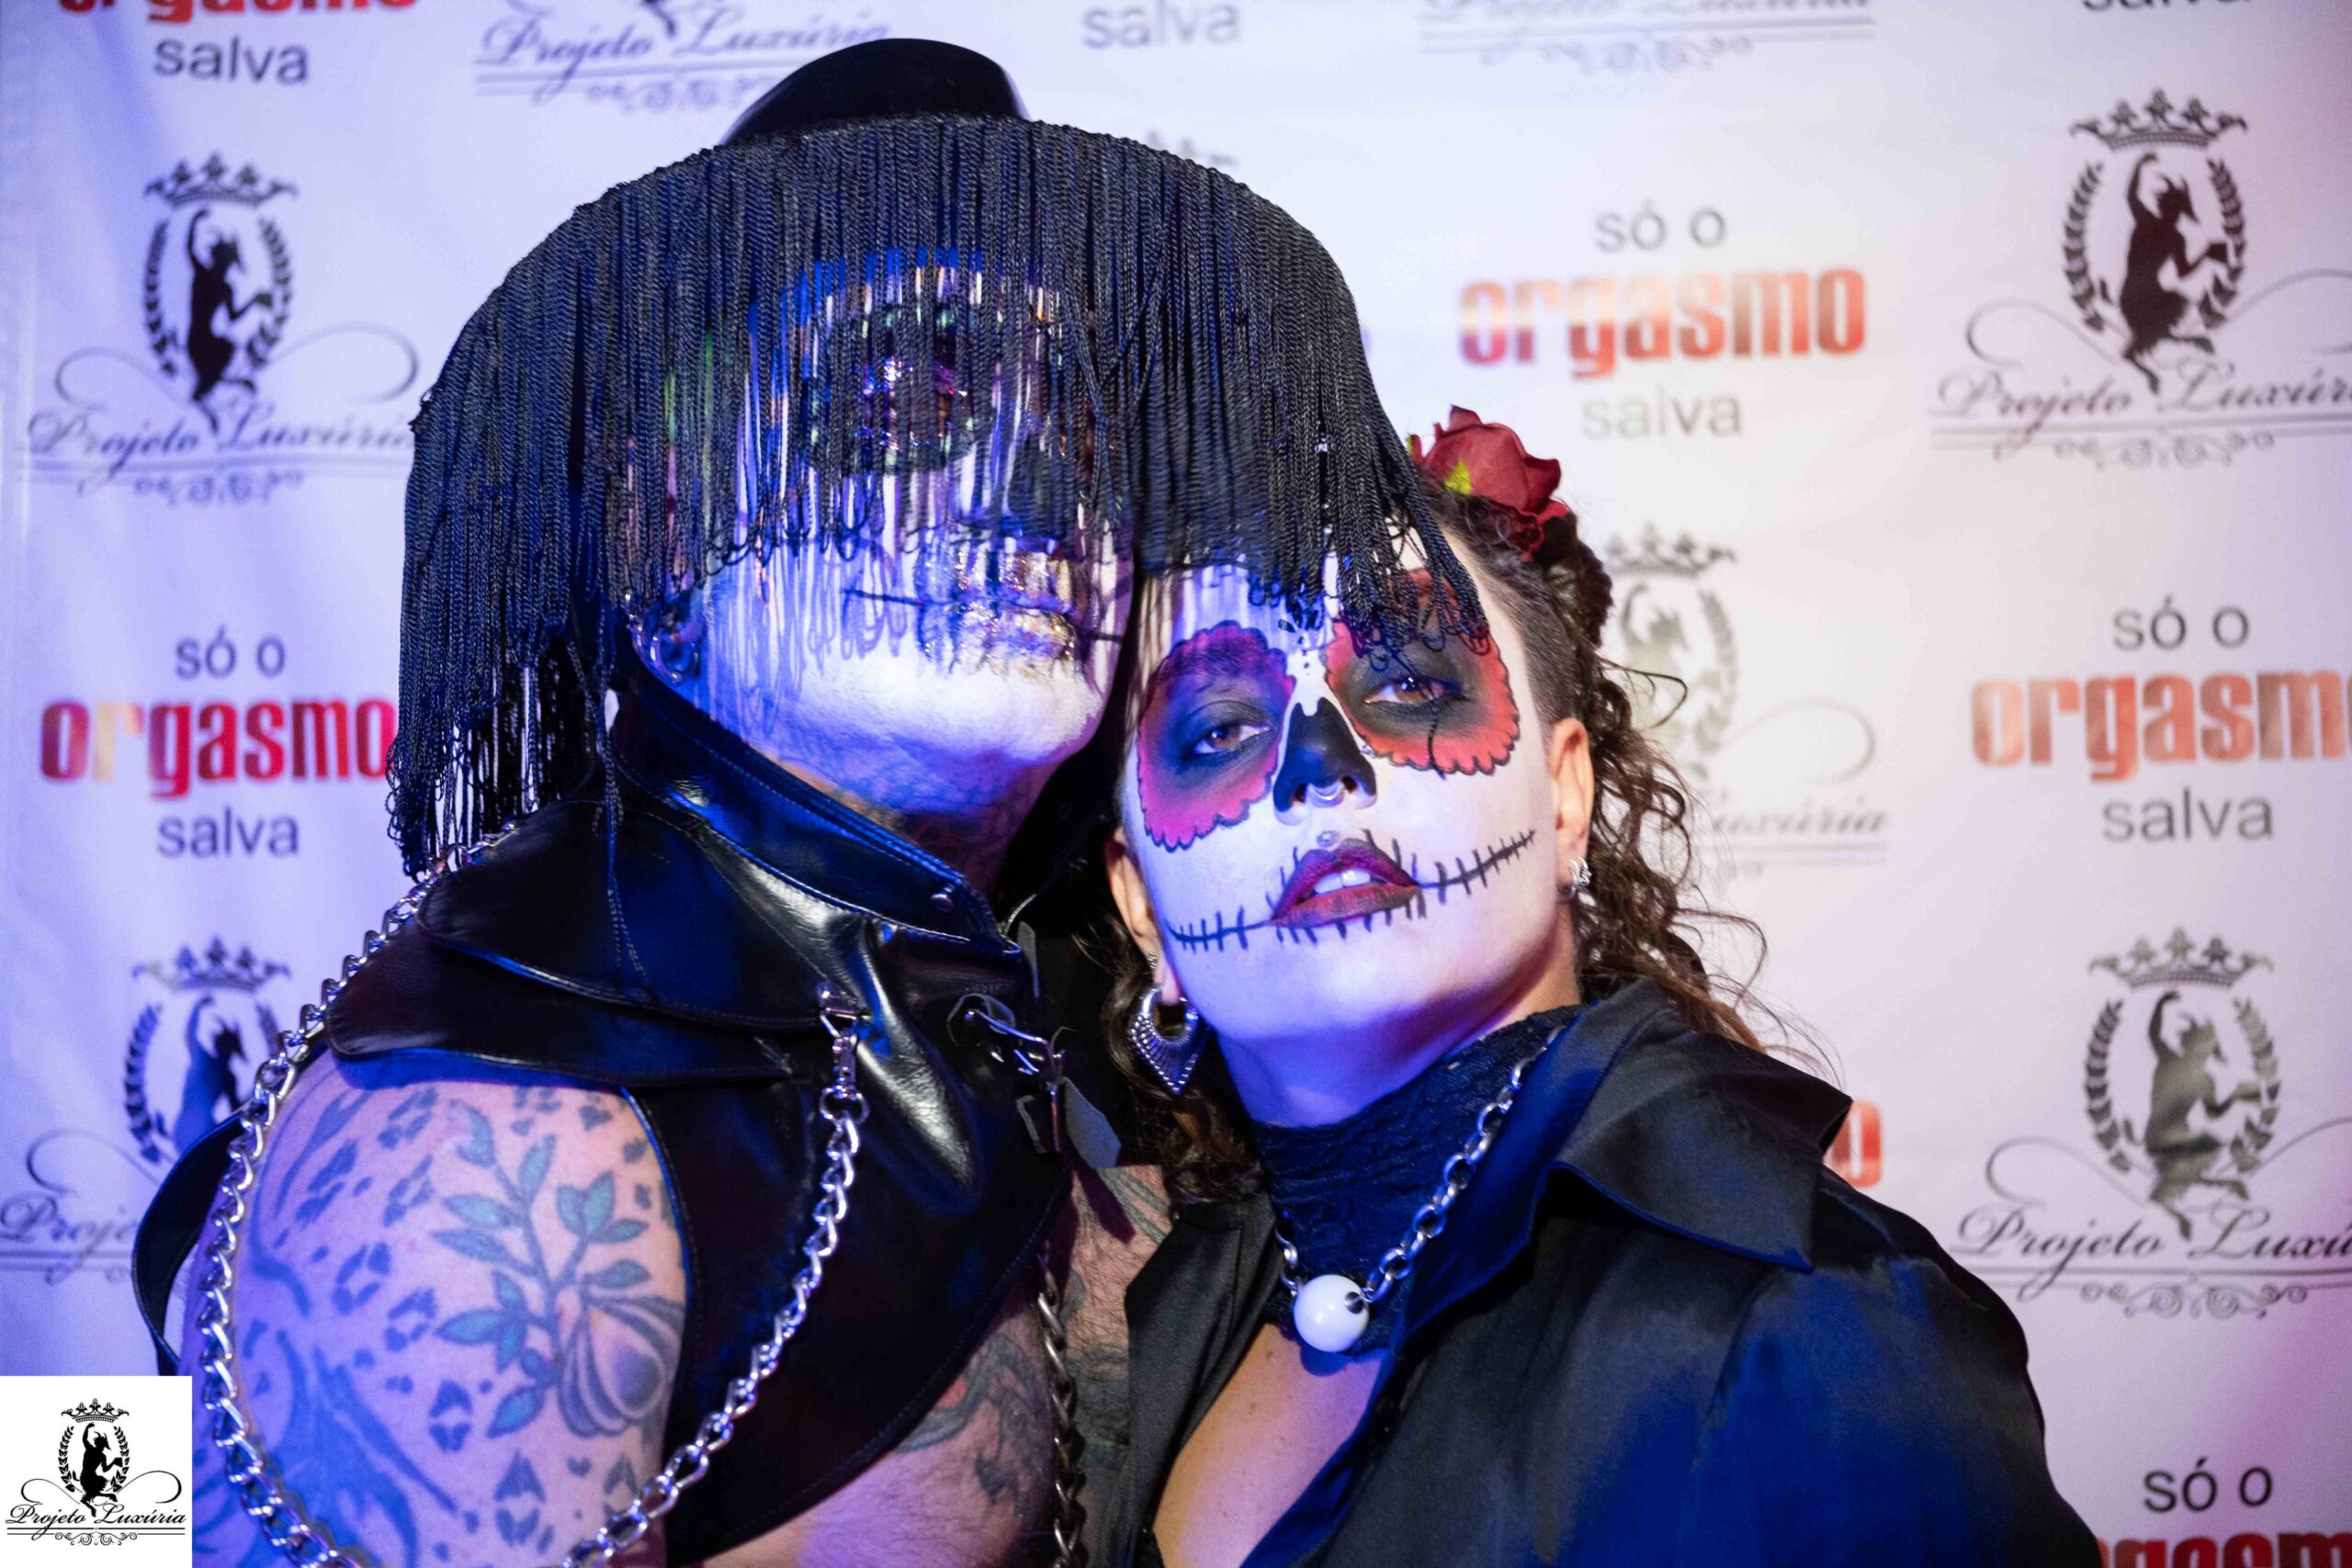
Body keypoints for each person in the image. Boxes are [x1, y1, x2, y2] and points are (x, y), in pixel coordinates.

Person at [130, 39, 1435, 1568]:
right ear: (661, 524)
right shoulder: (498, 1151)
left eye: (1080, 431)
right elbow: (87, 1507)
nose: (1030, 485)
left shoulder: (1065, 996)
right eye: (903, 396)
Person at [1086, 410, 2099, 1566]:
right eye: (1220, 730)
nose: (1319, 770)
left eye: (1409, 683)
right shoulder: (1144, 1327)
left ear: (1564, 798)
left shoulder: (1801, 1322)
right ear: (1140, 900)